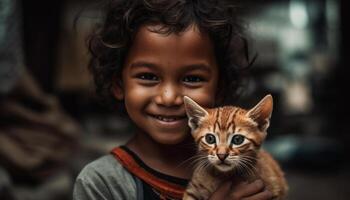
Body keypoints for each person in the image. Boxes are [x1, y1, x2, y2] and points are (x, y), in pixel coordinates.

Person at [73, 0, 273, 199]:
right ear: (119, 84)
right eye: (148, 76)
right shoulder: (102, 183)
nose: (169, 98)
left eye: (192, 79)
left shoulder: (248, 171)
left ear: (219, 88)